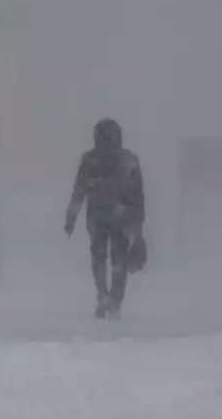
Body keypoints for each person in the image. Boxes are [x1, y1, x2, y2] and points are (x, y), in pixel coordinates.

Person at [64, 118, 145, 319]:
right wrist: (138, 225)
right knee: (119, 259)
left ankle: (105, 295)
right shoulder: (129, 160)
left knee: (100, 257)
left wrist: (71, 216)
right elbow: (138, 196)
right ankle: (114, 299)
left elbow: (79, 190)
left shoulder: (90, 160)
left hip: (98, 216)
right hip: (120, 217)